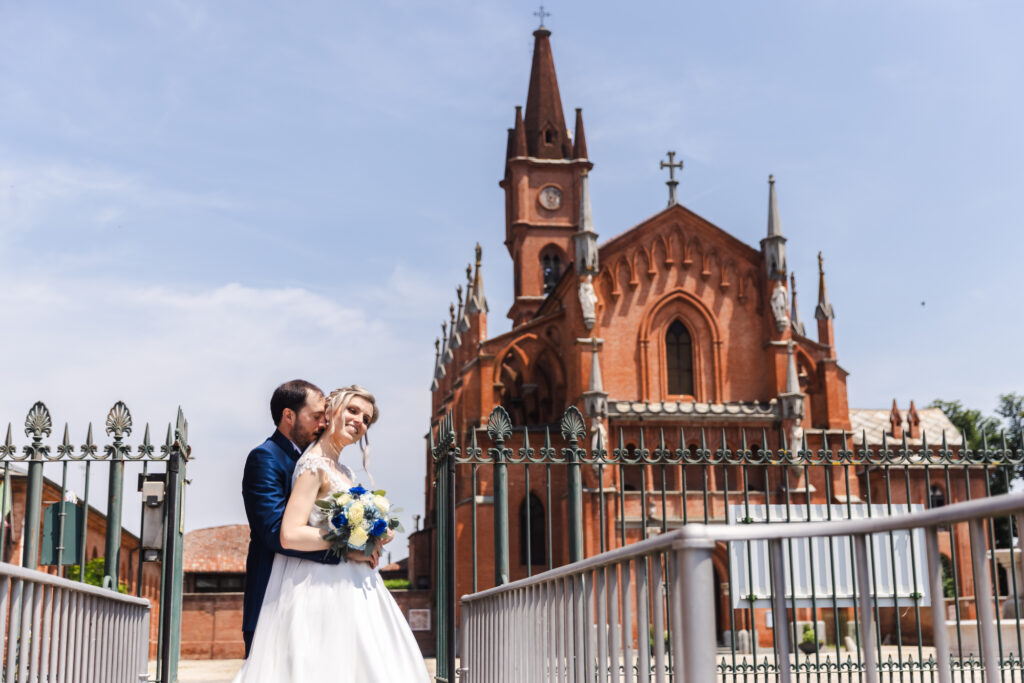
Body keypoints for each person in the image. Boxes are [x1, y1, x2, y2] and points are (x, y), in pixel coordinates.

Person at [234, 385, 429, 682]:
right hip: (306, 586)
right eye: (352, 411)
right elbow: (279, 533)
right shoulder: (297, 462)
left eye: (366, 418)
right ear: (330, 412)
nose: (360, 421)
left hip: (356, 583)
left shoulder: (345, 471)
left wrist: (374, 534)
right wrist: (348, 544)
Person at [240, 380, 380, 658]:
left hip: (326, 591)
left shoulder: (325, 462)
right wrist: (347, 550)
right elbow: (275, 533)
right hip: (275, 595)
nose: (323, 423)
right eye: (317, 416)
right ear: (289, 416)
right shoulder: (266, 458)